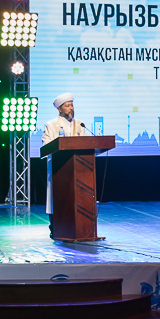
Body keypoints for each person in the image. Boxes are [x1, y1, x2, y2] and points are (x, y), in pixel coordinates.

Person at [42, 92, 90, 238]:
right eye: (67, 106)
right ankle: (56, 228)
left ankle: (80, 227)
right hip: (58, 169)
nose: (71, 108)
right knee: (56, 199)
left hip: (77, 168)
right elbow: (45, 146)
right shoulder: (51, 125)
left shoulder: (80, 124)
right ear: (59, 109)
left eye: (72, 105)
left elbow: (85, 144)